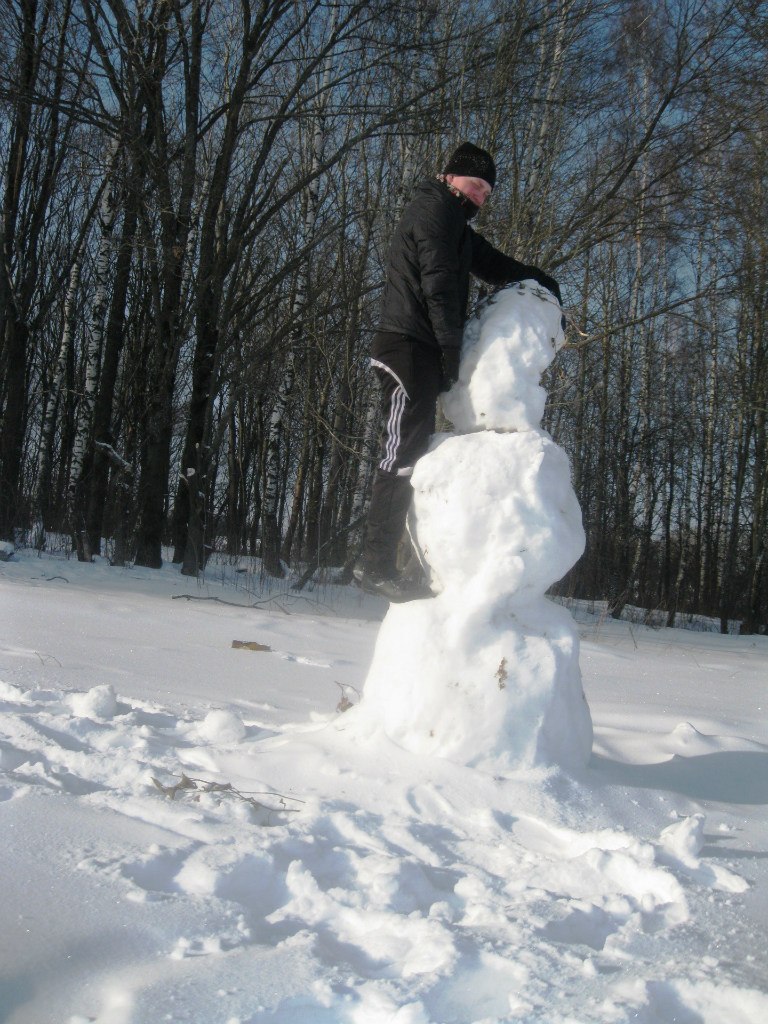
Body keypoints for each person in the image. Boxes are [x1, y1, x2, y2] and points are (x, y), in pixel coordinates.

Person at [356, 142, 562, 603]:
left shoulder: (455, 225)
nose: (482, 196)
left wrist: (537, 278)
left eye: (488, 191)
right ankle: (372, 565)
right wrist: (451, 350)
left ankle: (398, 562)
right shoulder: (433, 211)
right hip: (406, 347)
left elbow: (491, 263)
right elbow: (440, 286)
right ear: (451, 177)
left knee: (415, 456)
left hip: (422, 349)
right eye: (476, 185)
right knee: (401, 455)